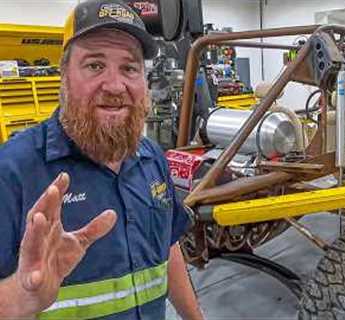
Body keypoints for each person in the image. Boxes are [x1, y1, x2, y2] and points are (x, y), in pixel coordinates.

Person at [0, 0, 203, 319]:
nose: (114, 85)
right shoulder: (12, 172)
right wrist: (22, 298)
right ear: (63, 76)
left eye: (129, 68)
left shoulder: (152, 159)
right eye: (95, 65)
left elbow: (168, 246)